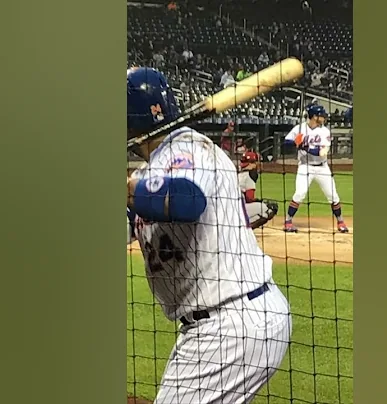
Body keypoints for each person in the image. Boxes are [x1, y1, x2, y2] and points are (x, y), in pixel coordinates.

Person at [125, 67, 291, 404]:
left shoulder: (188, 149)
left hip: (230, 325)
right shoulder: (152, 168)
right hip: (224, 325)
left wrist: (129, 190)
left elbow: (188, 199)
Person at [282, 104, 349, 233]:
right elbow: (285, 142)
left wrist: (304, 147)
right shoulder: (300, 128)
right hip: (304, 167)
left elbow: (322, 152)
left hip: (322, 168)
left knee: (333, 195)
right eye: (321, 116)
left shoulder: (325, 131)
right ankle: (288, 221)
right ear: (314, 117)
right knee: (299, 193)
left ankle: (340, 221)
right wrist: (295, 142)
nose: (323, 118)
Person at [238, 150, 279, 229]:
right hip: (239, 210)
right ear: (251, 164)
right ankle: (246, 229)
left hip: (230, 209)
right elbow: (249, 199)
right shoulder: (249, 175)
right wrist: (259, 201)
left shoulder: (239, 174)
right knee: (270, 209)